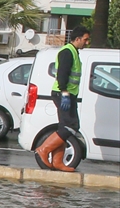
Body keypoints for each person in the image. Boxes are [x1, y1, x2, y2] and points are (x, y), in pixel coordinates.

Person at [33, 26, 91, 172]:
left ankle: (58, 161)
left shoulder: (74, 52)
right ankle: (43, 149)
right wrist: (65, 93)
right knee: (70, 126)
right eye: (85, 39)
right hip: (63, 94)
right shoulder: (67, 52)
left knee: (64, 127)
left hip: (69, 94)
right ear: (77, 39)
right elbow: (62, 75)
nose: (87, 42)